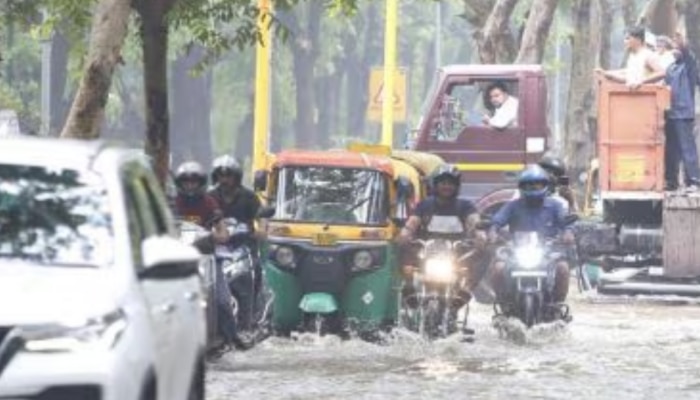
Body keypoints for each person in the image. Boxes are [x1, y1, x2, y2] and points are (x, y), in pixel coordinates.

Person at [397, 164, 487, 312]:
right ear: (436, 184)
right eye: (443, 183)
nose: (447, 187)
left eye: (450, 183)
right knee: (400, 246)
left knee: (486, 252)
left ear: (456, 186)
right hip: (425, 252)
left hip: (456, 254)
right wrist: (406, 231)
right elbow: (413, 221)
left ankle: (466, 290)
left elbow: (474, 220)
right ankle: (408, 286)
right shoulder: (424, 205)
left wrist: (480, 233)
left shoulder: (465, 206)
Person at [487, 165, 575, 309]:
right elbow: (497, 220)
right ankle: (504, 303)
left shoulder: (555, 206)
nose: (533, 188)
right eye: (528, 185)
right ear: (522, 187)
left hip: (548, 252)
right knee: (498, 268)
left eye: (537, 184)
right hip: (517, 252)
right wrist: (492, 232)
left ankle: (557, 305)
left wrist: (568, 233)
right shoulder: (512, 206)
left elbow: (566, 223)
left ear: (545, 185)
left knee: (563, 268)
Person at [662, 32, 700, 191]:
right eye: (674, 48)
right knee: (671, 150)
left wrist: (681, 41)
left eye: (678, 48)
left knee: (687, 148)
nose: (675, 50)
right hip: (670, 113)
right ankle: (671, 181)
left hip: (684, 113)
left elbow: (687, 52)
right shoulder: (671, 67)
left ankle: (694, 181)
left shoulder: (688, 66)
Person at [596, 26, 665, 89]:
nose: (625, 42)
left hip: (646, 97)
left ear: (638, 39)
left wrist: (641, 82)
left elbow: (662, 72)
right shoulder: (632, 56)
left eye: (628, 39)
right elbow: (629, 77)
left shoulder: (648, 55)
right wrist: (608, 74)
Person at [208, 155, 261, 229]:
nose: (224, 180)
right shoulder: (210, 197)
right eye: (221, 175)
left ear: (236, 177)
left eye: (228, 175)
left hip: (244, 239)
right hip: (217, 238)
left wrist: (262, 229)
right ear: (216, 177)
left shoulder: (249, 197)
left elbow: (261, 217)